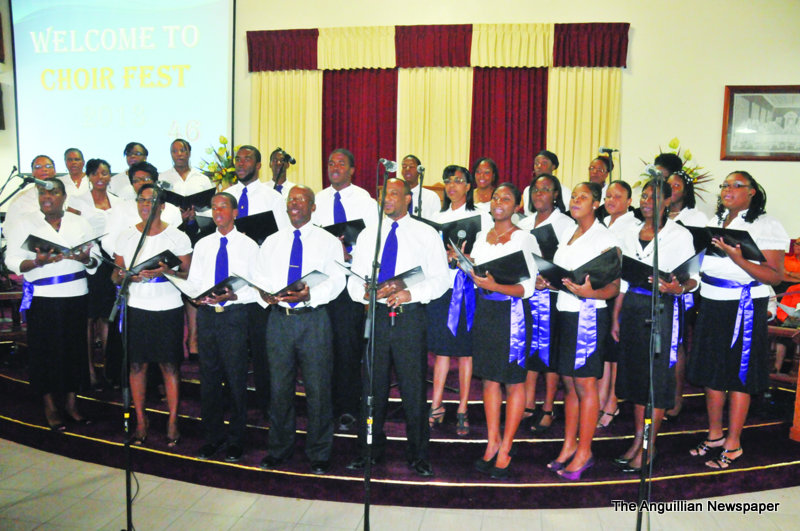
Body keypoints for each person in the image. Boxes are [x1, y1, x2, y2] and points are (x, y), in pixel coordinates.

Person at [346, 178, 449, 477]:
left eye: (393, 194)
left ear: (407, 199)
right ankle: (369, 452)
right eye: (383, 193)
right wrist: (363, 292)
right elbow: (354, 278)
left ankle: (418, 454)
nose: (386, 198)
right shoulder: (369, 235)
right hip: (377, 317)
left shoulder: (426, 234)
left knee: (413, 390)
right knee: (371, 389)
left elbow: (440, 280)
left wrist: (409, 294)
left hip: (409, 317)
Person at [687, 171, 788, 469]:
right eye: (725, 185)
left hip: (743, 305)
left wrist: (738, 258)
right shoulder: (715, 222)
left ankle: (734, 443)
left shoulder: (766, 224)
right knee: (712, 372)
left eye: (736, 185)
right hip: (711, 303)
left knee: (738, 374)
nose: (728, 189)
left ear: (752, 192)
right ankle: (715, 435)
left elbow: (774, 275)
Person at [255, 185, 346, 475]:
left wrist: (311, 296)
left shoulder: (328, 241)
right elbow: (259, 276)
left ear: (313, 206)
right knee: (279, 389)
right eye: (290, 199)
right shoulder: (271, 241)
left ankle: (319, 452)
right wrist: (265, 294)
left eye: (301, 199)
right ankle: (279, 448)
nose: (294, 204)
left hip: (313, 319)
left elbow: (338, 281)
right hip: (278, 320)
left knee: (318, 389)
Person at [612, 179, 696, 472]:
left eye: (654, 196)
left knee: (656, 382)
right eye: (644, 195)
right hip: (633, 308)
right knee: (637, 381)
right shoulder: (631, 233)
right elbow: (623, 280)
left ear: (667, 201)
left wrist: (677, 289)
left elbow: (693, 278)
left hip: (662, 310)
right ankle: (638, 441)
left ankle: (649, 447)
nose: (647, 201)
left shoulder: (679, 235)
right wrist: (616, 316)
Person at [6, 179, 100, 430]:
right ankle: (49, 406)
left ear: (64, 196)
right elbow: (12, 260)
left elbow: (96, 259)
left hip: (76, 294)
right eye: (42, 192)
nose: (47, 196)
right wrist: (38, 262)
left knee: (74, 351)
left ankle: (71, 403)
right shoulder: (24, 223)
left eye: (53, 192)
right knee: (44, 351)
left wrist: (87, 258)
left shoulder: (79, 222)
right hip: (43, 298)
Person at [543, 182, 620, 480]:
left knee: (585, 385)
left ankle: (585, 451)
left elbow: (613, 287)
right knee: (569, 383)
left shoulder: (606, 238)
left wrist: (589, 293)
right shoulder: (567, 233)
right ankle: (568, 446)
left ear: (596, 203)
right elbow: (563, 276)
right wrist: (547, 281)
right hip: (564, 312)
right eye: (573, 196)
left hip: (588, 316)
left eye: (583, 197)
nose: (575, 201)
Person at [112, 184, 192, 447]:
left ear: (161, 206)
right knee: (136, 366)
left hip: (167, 307)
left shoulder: (177, 236)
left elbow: (188, 274)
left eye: (151, 201)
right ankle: (141, 421)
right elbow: (115, 273)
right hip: (137, 307)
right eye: (141, 200)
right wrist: (125, 275)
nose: (145, 205)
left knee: (169, 365)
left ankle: (172, 421)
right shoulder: (126, 236)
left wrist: (165, 272)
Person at [470, 183, 540, 479]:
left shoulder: (525, 238)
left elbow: (530, 287)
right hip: (486, 311)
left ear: (517, 205)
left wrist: (495, 285)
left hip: (512, 313)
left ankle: (506, 445)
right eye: (496, 197)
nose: (499, 202)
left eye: (506, 198)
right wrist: (463, 263)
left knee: (512, 381)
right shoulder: (479, 236)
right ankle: (492, 440)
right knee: (489, 380)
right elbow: (477, 275)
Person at [188, 192, 260, 463]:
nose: (218, 211)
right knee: (208, 381)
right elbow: (195, 281)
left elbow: (256, 289)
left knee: (236, 380)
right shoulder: (204, 244)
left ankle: (236, 440)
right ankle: (213, 437)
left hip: (235, 317)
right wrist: (195, 295)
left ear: (235, 212)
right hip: (207, 316)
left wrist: (234, 297)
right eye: (214, 207)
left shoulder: (249, 246)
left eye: (223, 207)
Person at [312, 148, 378, 431]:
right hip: (322, 279)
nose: (334, 167)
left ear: (352, 170)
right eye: (330, 163)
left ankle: (348, 407)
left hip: (349, 282)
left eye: (341, 163)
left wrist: (351, 252)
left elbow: (374, 236)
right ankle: (322, 406)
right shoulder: (318, 199)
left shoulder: (364, 199)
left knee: (347, 348)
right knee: (320, 348)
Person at [426, 165, 492, 436]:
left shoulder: (481, 216)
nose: (452, 185)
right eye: (448, 181)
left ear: (468, 186)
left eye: (458, 181)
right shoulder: (434, 217)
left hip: (468, 288)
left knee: (466, 351)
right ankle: (437, 404)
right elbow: (427, 256)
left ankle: (463, 408)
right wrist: (444, 256)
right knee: (442, 349)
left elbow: (488, 252)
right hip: (442, 287)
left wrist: (468, 259)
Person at [517, 173, 575, 435]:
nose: (539, 194)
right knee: (529, 346)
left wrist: (550, 277)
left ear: (555, 195)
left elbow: (569, 263)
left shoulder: (566, 224)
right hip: (529, 294)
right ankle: (528, 403)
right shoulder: (524, 222)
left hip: (552, 296)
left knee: (550, 352)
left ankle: (549, 406)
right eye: (535, 190)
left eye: (545, 190)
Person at [69, 159, 123, 390]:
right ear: (89, 176)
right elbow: (71, 230)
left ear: (111, 176)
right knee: (88, 318)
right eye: (95, 173)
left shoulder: (121, 203)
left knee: (107, 317)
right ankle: (89, 370)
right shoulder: (76, 201)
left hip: (111, 264)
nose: (101, 176)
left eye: (105, 172)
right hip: (88, 263)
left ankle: (109, 369)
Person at [159, 138, 215, 361]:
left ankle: (193, 338)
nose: (179, 154)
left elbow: (211, 210)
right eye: (174, 150)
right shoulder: (162, 179)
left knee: (193, 284)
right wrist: (177, 217)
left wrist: (195, 216)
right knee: (174, 286)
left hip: (197, 233)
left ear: (190, 152)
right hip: (171, 236)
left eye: (182, 150)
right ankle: (177, 340)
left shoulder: (202, 179)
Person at [664, 169, 708, 421]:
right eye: (668, 185)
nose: (671, 190)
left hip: (681, 287)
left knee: (676, 344)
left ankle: (677, 397)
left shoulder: (695, 217)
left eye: (677, 185)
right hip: (655, 285)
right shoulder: (653, 214)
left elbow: (699, 252)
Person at [596, 179, 635, 428]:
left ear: (630, 202)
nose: (611, 200)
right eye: (608, 196)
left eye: (618, 197)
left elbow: (628, 269)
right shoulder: (602, 224)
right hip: (601, 292)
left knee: (615, 352)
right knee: (604, 352)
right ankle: (601, 400)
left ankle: (611, 402)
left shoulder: (632, 227)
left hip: (622, 294)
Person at [4, 155, 59, 240]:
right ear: (32, 173)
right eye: (38, 167)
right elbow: (8, 229)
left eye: (48, 166)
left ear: (55, 171)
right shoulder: (20, 199)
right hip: (29, 249)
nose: (44, 169)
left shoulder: (67, 196)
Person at [401, 154, 440, 219]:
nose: (407, 169)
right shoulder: (398, 196)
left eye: (411, 166)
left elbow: (437, 222)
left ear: (419, 171)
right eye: (404, 167)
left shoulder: (431, 197)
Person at [522, 150, 559, 214]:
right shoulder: (528, 190)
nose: (539, 166)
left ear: (553, 166)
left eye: (544, 163)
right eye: (536, 163)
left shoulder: (564, 192)